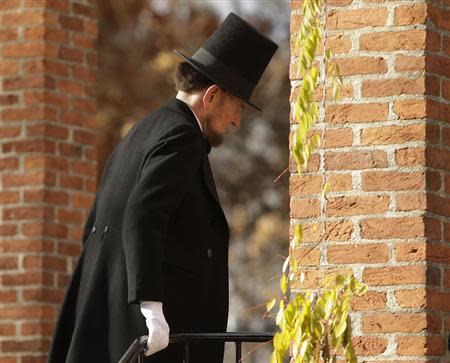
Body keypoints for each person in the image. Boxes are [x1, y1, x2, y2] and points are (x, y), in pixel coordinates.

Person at [48, 12, 278, 363]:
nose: (236, 121)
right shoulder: (182, 136)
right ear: (213, 95)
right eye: (238, 107)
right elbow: (143, 214)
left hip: (109, 327)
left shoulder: (143, 130)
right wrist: (151, 308)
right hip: (154, 341)